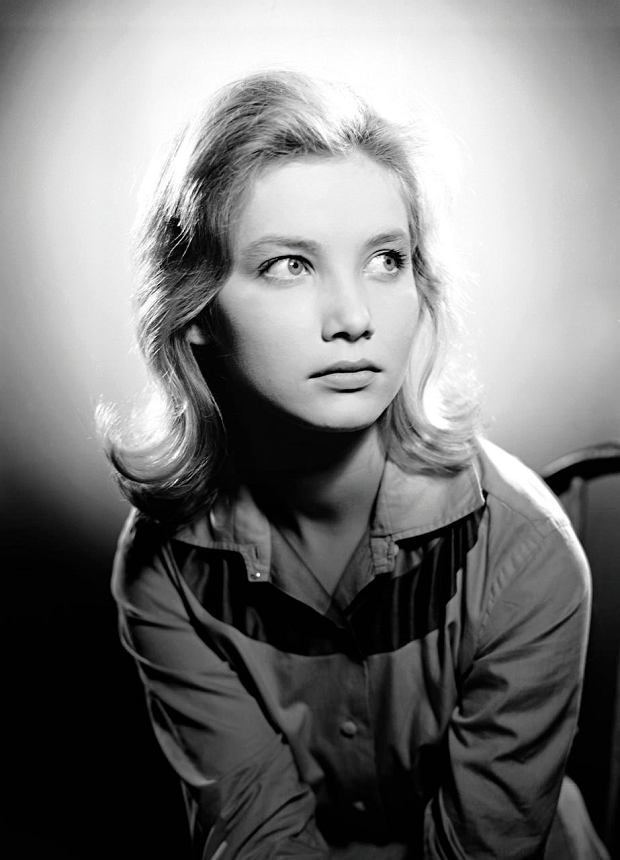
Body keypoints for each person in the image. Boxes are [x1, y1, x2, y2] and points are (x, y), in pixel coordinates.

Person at [102, 70, 604, 859]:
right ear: (193, 309)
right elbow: (257, 836)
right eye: (289, 265)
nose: (354, 319)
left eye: (386, 260)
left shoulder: (525, 549)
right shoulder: (162, 570)